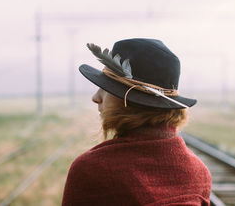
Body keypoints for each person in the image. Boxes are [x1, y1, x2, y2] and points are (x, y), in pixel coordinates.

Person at [62, 38, 212, 206]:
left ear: (129, 100)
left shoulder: (91, 170)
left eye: (106, 88)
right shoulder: (199, 172)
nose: (96, 98)